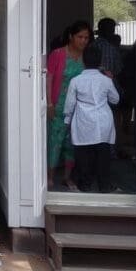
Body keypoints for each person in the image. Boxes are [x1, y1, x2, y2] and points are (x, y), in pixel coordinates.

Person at [63, 46, 119, 193]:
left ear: (83, 60)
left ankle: (85, 184)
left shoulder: (75, 81)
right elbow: (115, 99)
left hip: (83, 121)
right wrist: (111, 79)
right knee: (103, 154)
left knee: (83, 155)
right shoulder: (106, 80)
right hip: (103, 121)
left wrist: (67, 122)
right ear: (100, 61)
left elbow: (69, 105)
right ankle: (104, 185)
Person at [46, 20, 91, 191]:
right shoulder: (57, 54)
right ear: (71, 37)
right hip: (59, 106)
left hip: (79, 109)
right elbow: (48, 79)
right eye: (80, 37)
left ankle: (67, 177)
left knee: (73, 143)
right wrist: (49, 102)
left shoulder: (87, 56)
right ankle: (49, 177)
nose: (83, 41)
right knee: (55, 141)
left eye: (86, 38)